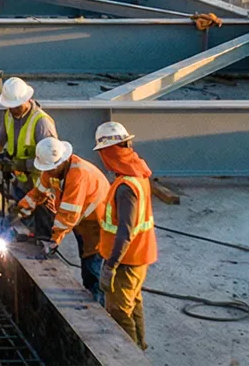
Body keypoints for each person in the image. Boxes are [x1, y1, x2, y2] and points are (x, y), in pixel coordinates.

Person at [19, 137, 111, 298]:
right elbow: (38, 193)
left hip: (97, 222)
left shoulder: (78, 175)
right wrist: (19, 211)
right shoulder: (53, 170)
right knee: (85, 257)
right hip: (82, 220)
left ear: (61, 162)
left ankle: (96, 304)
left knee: (91, 266)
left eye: (49, 169)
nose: (46, 172)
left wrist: (55, 239)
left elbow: (69, 215)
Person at [94, 121, 158, 350]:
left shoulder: (125, 187)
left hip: (126, 261)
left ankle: (130, 357)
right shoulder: (137, 173)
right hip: (139, 257)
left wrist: (111, 265)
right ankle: (140, 348)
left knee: (119, 312)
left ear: (108, 152)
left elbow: (125, 231)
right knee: (134, 304)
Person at [0, 77, 57, 201]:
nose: (13, 110)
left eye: (17, 106)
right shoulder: (9, 115)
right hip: (20, 183)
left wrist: (20, 164)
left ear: (27, 99)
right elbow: (0, 139)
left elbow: (51, 162)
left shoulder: (41, 123)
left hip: (40, 189)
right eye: (10, 106)